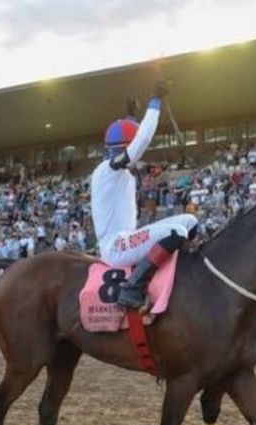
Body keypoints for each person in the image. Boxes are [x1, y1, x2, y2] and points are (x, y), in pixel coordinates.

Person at [90, 80, 198, 309]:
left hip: (127, 239)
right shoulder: (108, 169)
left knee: (190, 221)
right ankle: (133, 287)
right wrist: (154, 102)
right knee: (177, 231)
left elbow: (130, 138)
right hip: (116, 247)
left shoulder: (116, 168)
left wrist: (130, 115)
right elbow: (141, 140)